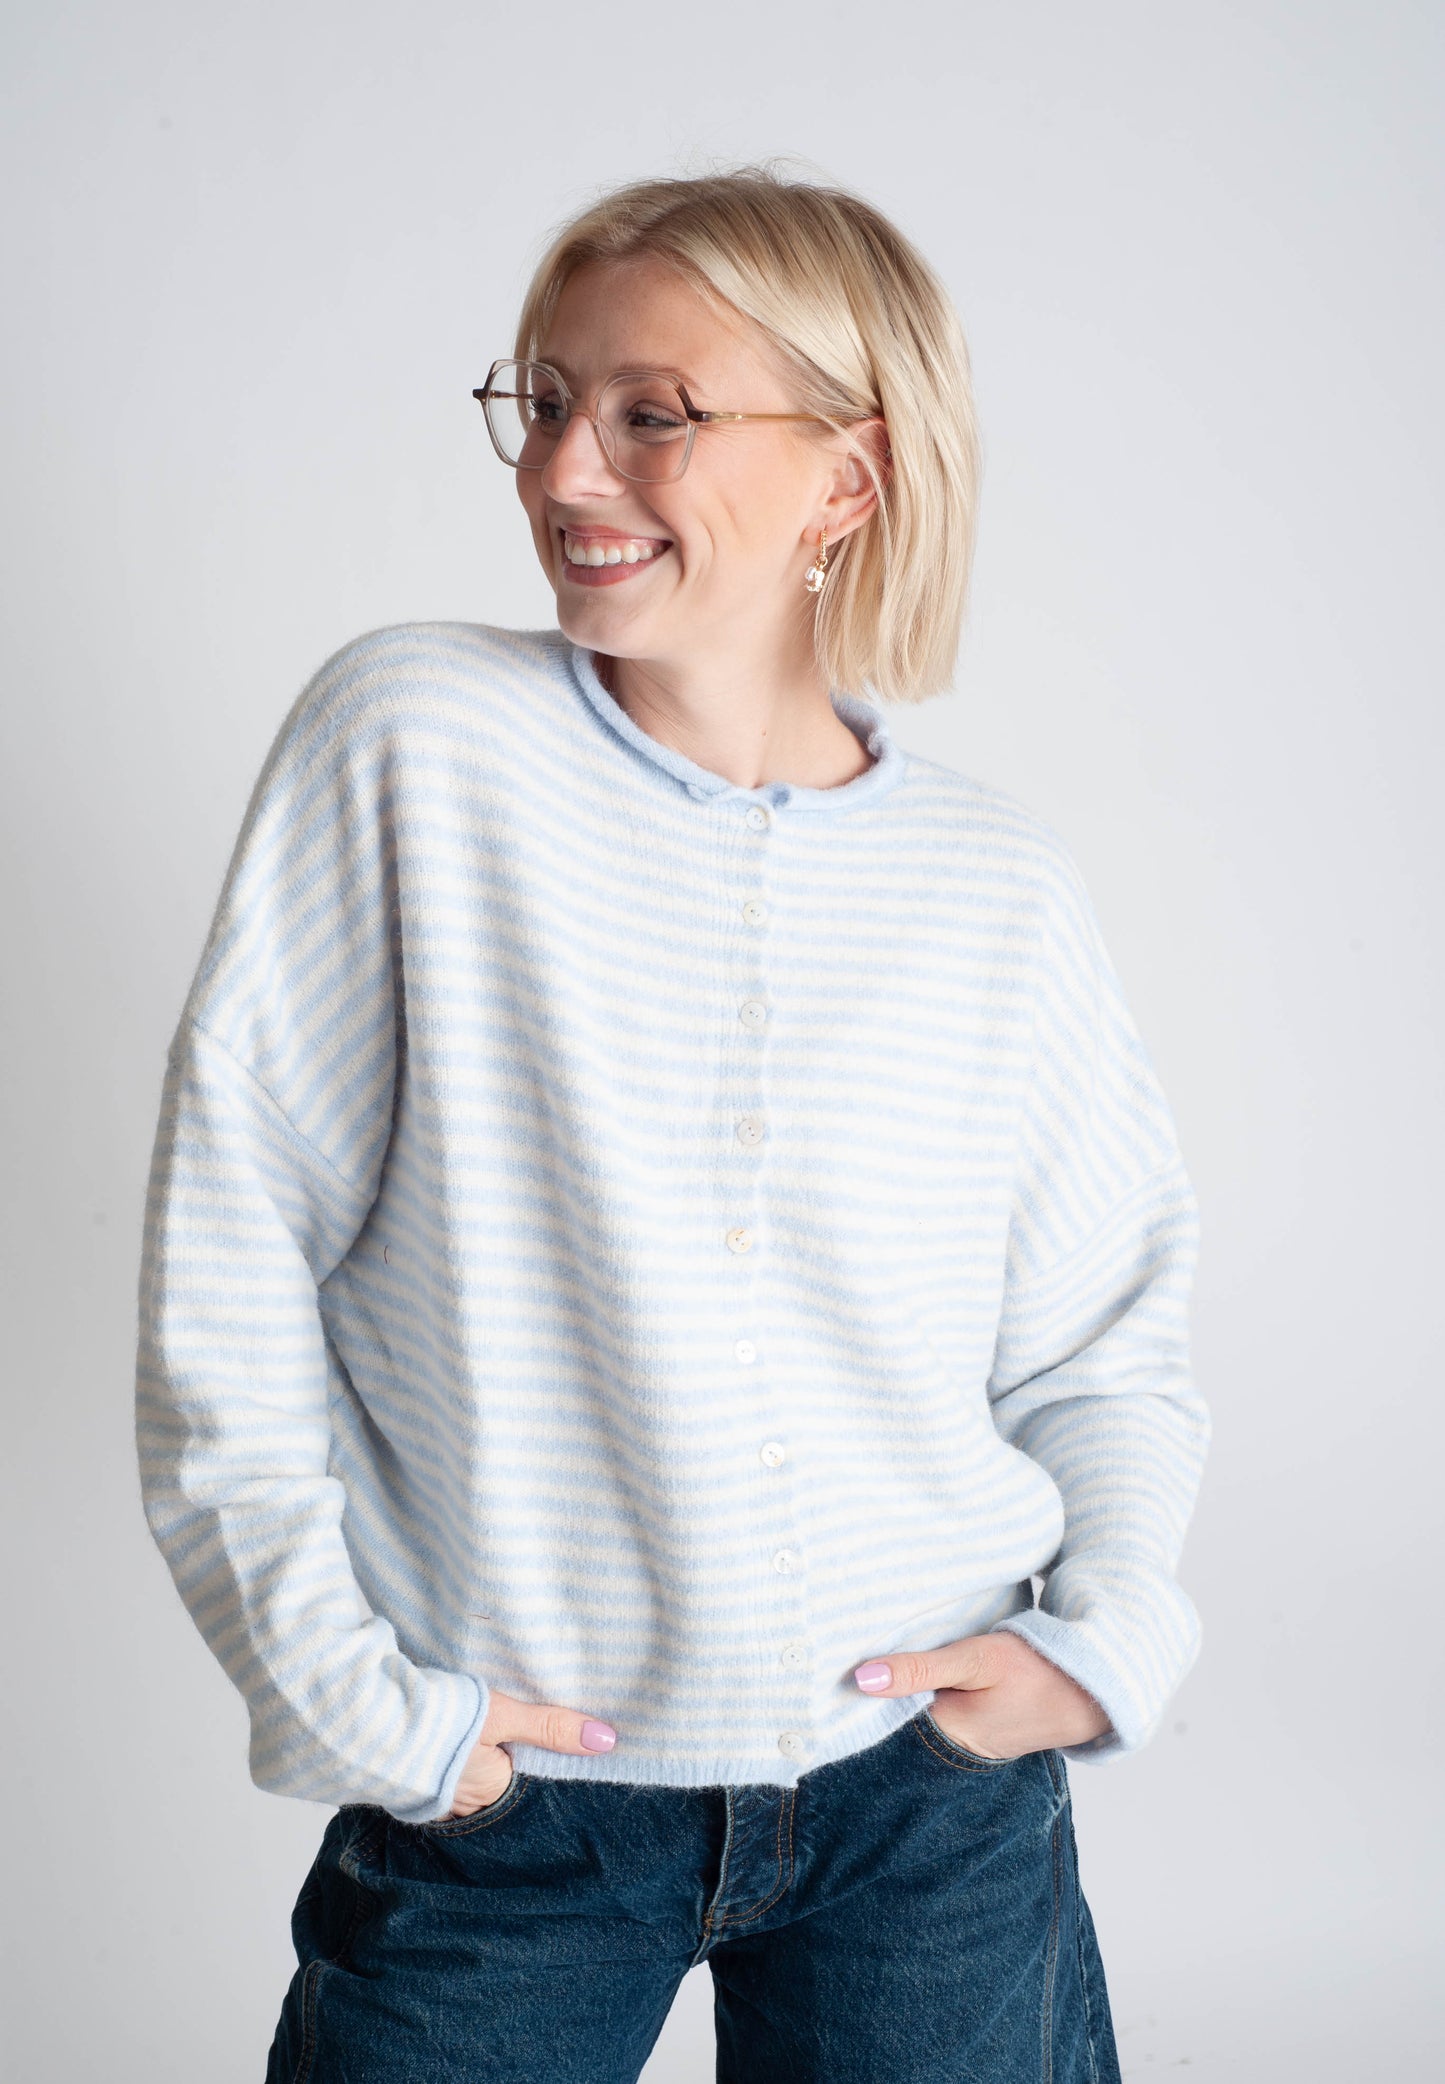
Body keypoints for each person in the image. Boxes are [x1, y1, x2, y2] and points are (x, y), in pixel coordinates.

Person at [135, 166, 1208, 2084]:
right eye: (541, 399)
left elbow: (1102, 1341)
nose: (562, 470)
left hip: (922, 1810)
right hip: (513, 1809)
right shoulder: (409, 743)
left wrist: (1103, 1639)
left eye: (652, 413)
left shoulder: (996, 888)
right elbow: (231, 1255)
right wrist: (354, 1700)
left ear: (847, 481)